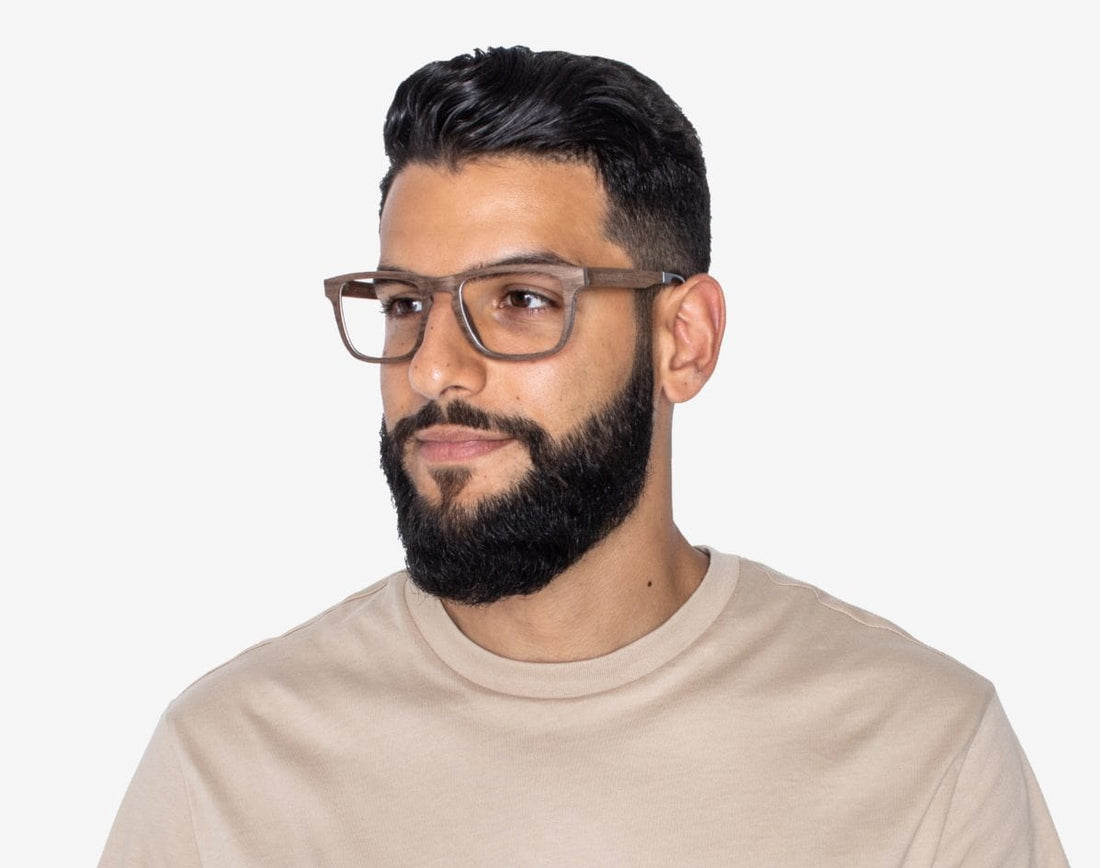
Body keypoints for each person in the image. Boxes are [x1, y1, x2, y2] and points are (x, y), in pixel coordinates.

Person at [99, 46, 1067, 866]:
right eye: (404, 303)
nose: (435, 365)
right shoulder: (230, 759)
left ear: (681, 339)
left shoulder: (914, 740)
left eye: (520, 299)